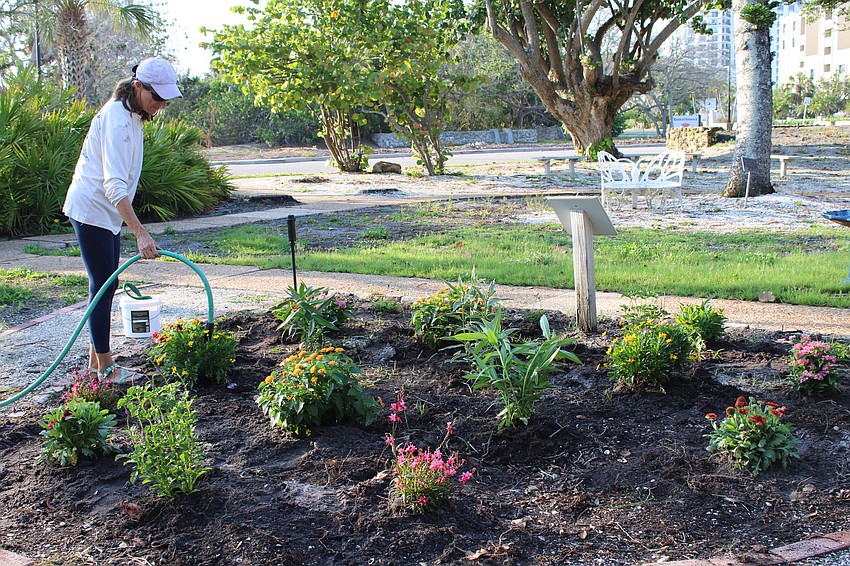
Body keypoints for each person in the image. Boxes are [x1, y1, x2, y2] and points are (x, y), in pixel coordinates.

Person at [63, 57, 182, 381]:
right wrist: (140, 234)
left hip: (105, 211)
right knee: (103, 284)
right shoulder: (117, 119)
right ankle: (107, 368)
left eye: (165, 99)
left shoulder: (132, 115)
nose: (161, 105)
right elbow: (113, 184)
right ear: (138, 86)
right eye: (157, 97)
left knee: (105, 284)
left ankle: (95, 364)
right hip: (93, 209)